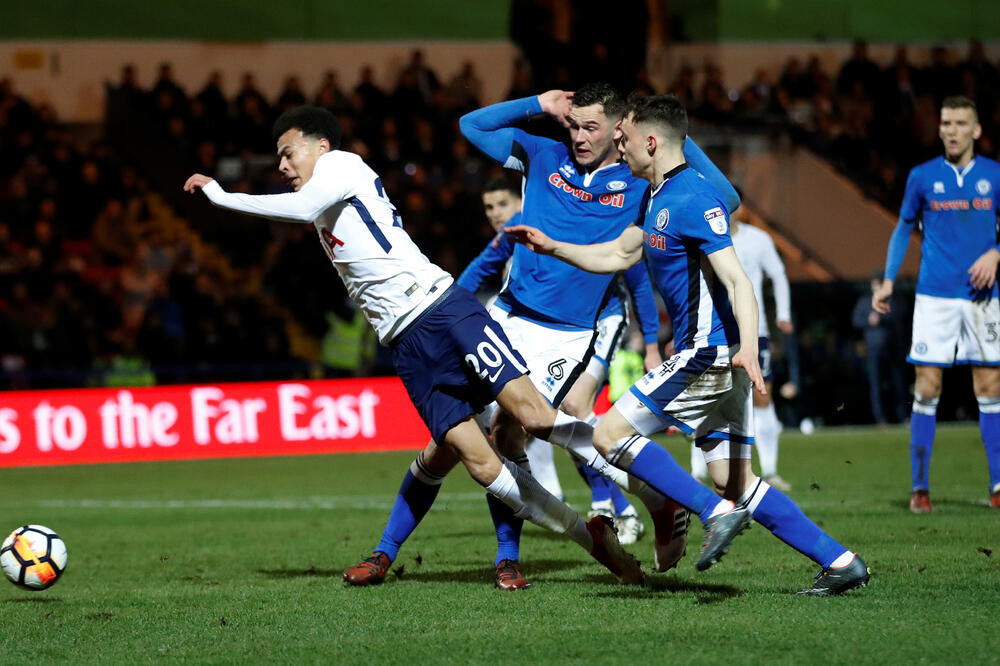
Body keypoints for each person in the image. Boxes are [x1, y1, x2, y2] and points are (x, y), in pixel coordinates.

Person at [182, 105, 653, 588]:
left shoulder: (341, 165)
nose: (282, 166)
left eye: (288, 153)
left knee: (529, 418)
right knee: (477, 462)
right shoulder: (325, 197)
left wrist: (221, 195)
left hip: (442, 311)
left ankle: (653, 488)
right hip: (406, 343)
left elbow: (299, 209)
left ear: (321, 146)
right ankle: (590, 538)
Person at [343, 85, 751, 590]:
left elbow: (725, 198)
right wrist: (538, 105)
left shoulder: (641, 179)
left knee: (516, 428)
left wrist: (670, 137)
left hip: (566, 335)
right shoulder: (542, 153)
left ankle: (526, 548)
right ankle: (404, 553)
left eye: (591, 127)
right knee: (453, 440)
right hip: (506, 315)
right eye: (573, 125)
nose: (578, 137)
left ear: (620, 129)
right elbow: (471, 125)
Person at [508, 94, 870, 596]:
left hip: (709, 353)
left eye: (626, 138)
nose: (618, 145)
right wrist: (553, 246)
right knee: (735, 482)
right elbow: (618, 254)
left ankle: (707, 512)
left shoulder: (694, 198)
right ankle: (841, 562)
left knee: (609, 434)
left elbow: (738, 280)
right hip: (718, 357)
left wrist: (747, 348)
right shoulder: (657, 196)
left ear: (652, 143)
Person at [459, 175, 659, 546]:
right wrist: (447, 315)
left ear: (524, 198)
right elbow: (478, 268)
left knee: (573, 406)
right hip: (548, 330)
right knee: (531, 418)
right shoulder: (515, 232)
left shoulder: (582, 218)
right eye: (488, 208)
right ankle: (597, 502)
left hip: (601, 319)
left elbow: (639, 282)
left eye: (502, 204)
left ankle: (624, 504)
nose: (496, 214)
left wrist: (651, 345)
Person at [873, 95, 1000, 512]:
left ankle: (998, 485)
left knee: (990, 388)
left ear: (976, 130)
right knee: (927, 388)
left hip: (983, 298)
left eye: (960, 123)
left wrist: (996, 253)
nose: (951, 130)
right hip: (935, 297)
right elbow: (902, 228)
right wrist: (888, 281)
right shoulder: (922, 176)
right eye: (946, 123)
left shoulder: (994, 175)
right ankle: (920, 488)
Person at [692, 211, 795, 491]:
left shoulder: (758, 239)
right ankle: (697, 472)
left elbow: (778, 274)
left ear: (739, 207)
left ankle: (770, 470)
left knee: (762, 396)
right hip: (714, 331)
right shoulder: (703, 235)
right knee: (708, 397)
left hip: (754, 331)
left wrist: (783, 313)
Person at [852, 272, 908, 425]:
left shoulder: (893, 299)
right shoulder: (865, 301)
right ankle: (880, 417)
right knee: (876, 384)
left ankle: (903, 415)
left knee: (898, 383)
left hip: (892, 347)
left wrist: (881, 318)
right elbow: (856, 320)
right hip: (873, 349)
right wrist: (868, 320)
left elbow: (900, 315)